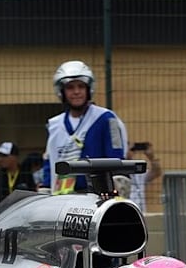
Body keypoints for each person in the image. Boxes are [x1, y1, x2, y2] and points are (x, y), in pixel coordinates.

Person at [41, 61, 127, 194]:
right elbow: (49, 161)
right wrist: (44, 190)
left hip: (97, 197)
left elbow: (117, 159)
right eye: (70, 87)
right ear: (61, 91)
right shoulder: (54, 125)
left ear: (89, 89)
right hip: (62, 199)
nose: (76, 92)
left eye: (81, 86)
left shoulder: (106, 119)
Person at [127, 142, 164, 213]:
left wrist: (152, 157)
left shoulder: (138, 171)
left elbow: (156, 172)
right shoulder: (118, 172)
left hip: (141, 212)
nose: (132, 152)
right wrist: (125, 157)